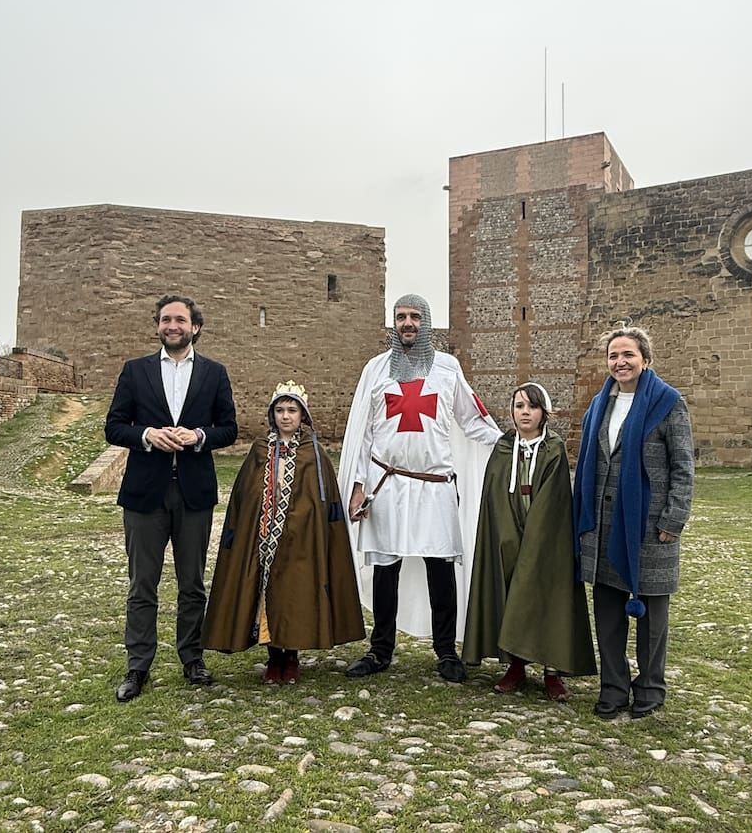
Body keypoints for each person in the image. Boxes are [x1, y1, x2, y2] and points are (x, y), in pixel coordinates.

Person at [338, 294, 500, 683]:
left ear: (425, 322)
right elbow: (363, 434)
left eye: (414, 316)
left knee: (440, 567)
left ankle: (446, 651)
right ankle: (380, 650)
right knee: (385, 569)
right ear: (393, 323)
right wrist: (358, 485)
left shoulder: (447, 368)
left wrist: (510, 441)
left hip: (434, 485)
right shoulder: (376, 370)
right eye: (401, 316)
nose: (407, 323)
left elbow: (472, 418)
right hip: (387, 484)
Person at [104, 295, 238, 703]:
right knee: (142, 584)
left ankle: (192, 657)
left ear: (195, 326)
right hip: (145, 492)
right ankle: (138, 665)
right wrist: (147, 436)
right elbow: (114, 427)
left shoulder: (214, 373)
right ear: (158, 326)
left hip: (193, 491)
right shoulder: (135, 371)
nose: (172, 325)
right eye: (165, 319)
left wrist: (198, 436)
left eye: (180, 319)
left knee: (192, 583)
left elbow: (228, 429)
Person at [200, 381, 364, 683]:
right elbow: (244, 495)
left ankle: (291, 657)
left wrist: (308, 526)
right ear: (271, 414)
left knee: (295, 595)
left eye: (292, 410)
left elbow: (324, 500)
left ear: (303, 415)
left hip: (301, 541)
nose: (285, 416)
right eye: (280, 410)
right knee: (266, 594)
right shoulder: (260, 450)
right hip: (262, 538)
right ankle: (273, 656)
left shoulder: (313, 454)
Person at [572, 326, 694, 719]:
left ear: (645, 359)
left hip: (649, 526)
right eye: (613, 356)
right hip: (604, 525)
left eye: (627, 355)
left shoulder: (667, 403)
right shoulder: (598, 406)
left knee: (652, 619)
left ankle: (650, 688)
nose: (620, 362)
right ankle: (613, 687)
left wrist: (673, 520)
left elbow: (683, 467)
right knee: (607, 614)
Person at [463, 383, 596, 700]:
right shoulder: (503, 448)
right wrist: (507, 534)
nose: (525, 412)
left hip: (546, 538)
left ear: (543, 413)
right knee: (510, 593)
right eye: (519, 406)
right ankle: (515, 665)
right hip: (508, 534)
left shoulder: (554, 448)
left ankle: (552, 671)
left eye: (532, 407)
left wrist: (535, 539)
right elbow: (494, 496)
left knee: (549, 597)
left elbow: (555, 499)